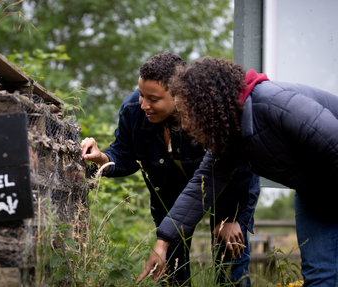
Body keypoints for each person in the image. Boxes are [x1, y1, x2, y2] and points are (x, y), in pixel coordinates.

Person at [148, 56, 338, 286]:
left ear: (209, 105)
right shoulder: (229, 139)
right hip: (314, 191)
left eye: (187, 114)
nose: (185, 125)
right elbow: (200, 189)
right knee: (319, 276)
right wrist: (163, 242)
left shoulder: (275, 103)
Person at [81, 52, 260, 286]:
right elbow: (124, 155)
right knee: (173, 272)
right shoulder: (132, 110)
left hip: (226, 194)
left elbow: (241, 162)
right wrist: (100, 157)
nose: (143, 104)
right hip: (171, 201)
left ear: (177, 94)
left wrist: (234, 217)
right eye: (141, 94)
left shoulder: (206, 111)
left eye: (153, 99)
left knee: (230, 268)